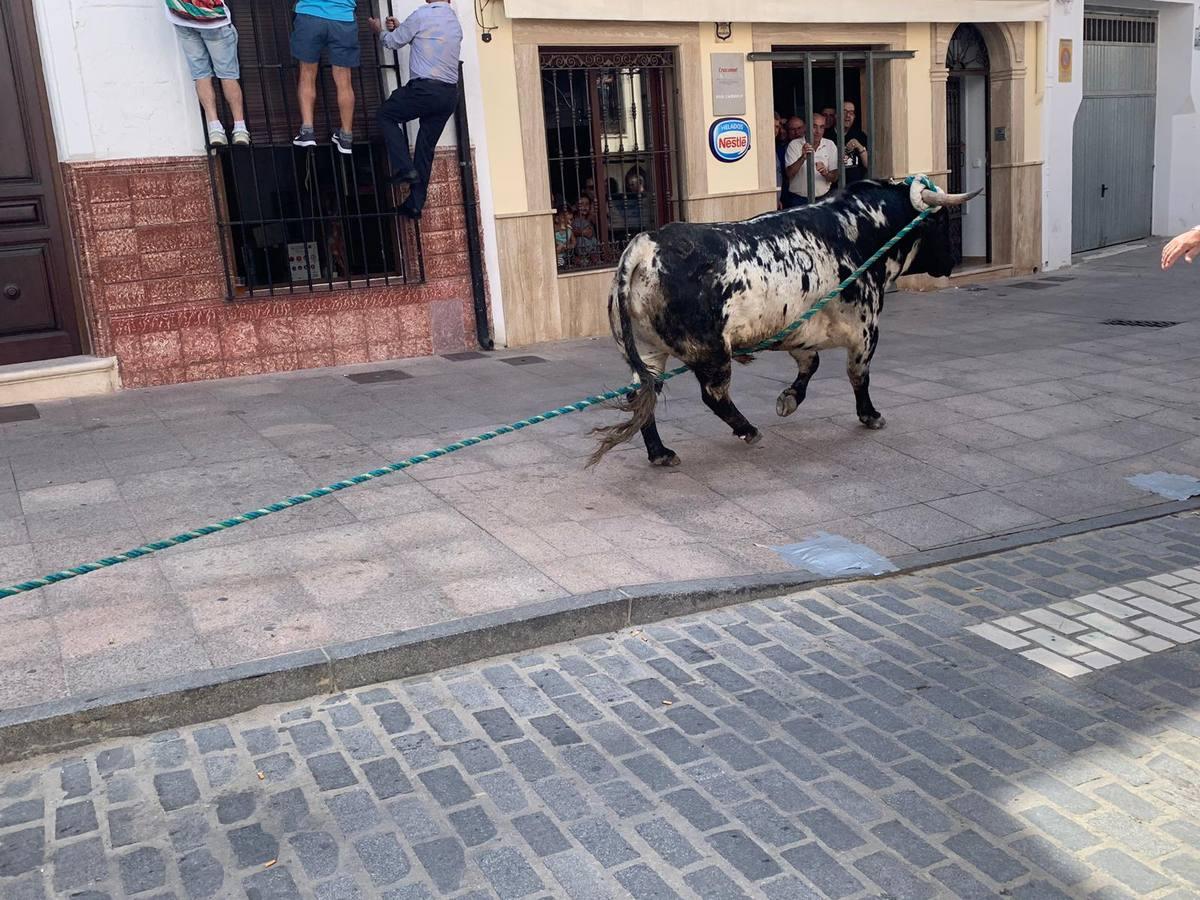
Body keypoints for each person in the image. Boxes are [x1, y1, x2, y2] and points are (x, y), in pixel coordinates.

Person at [371, 1, 463, 219]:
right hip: (448, 95)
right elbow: (428, 43)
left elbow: (393, 42)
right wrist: (404, 27)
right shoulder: (454, 21)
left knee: (385, 115)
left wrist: (379, 31)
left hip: (425, 90)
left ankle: (405, 168)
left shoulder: (422, 15)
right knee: (425, 149)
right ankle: (414, 204)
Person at [165, 0, 250, 147]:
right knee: (227, 75)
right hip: (213, 18)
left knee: (201, 75)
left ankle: (214, 128)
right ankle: (240, 128)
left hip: (182, 17)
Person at [291, 0, 360, 154]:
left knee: (307, 73)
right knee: (344, 80)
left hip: (310, 14)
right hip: (344, 18)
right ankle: (346, 135)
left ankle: (307, 130)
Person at [784, 114, 838, 203]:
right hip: (798, 200)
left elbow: (835, 177)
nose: (818, 131)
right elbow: (789, 174)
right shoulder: (794, 144)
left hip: (823, 199)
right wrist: (802, 158)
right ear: (806, 127)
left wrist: (825, 173)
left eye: (822, 127)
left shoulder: (830, 144)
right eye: (814, 127)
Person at [827, 101, 869, 184]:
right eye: (844, 112)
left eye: (851, 112)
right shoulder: (826, 136)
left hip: (854, 188)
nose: (848, 116)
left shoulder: (860, 135)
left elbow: (869, 165)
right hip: (832, 188)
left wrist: (860, 147)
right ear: (836, 115)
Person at [779, 116, 805, 208]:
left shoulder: (811, 146)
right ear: (787, 131)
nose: (796, 132)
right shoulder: (781, 150)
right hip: (787, 196)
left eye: (799, 128)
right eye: (792, 129)